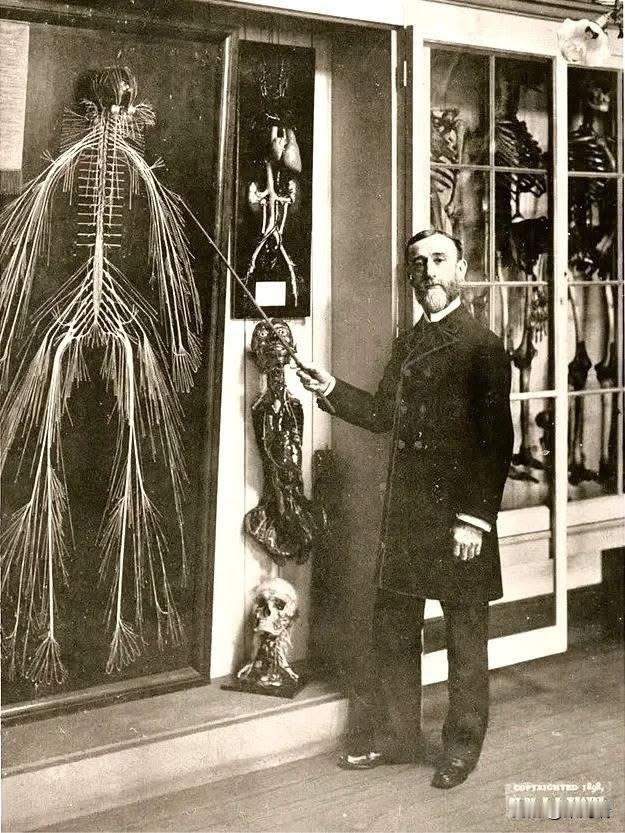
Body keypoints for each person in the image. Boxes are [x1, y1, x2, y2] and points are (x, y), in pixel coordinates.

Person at [297, 228, 514, 789]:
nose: (428, 271)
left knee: (465, 637)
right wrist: (330, 389)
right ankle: (398, 739)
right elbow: (382, 415)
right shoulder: (411, 343)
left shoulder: (482, 345)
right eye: (418, 263)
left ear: (460, 270)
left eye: (439, 260)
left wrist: (474, 519)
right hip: (409, 516)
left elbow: (496, 441)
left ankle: (462, 748)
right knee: (395, 628)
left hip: (459, 520)